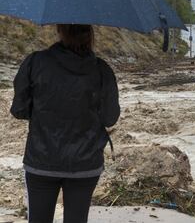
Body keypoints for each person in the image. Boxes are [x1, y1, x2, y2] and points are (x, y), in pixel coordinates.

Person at [10, 24, 120, 223]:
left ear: (60, 31)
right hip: (85, 162)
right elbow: (110, 117)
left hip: (42, 160)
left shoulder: (35, 62)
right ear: (90, 34)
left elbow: (19, 110)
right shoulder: (102, 70)